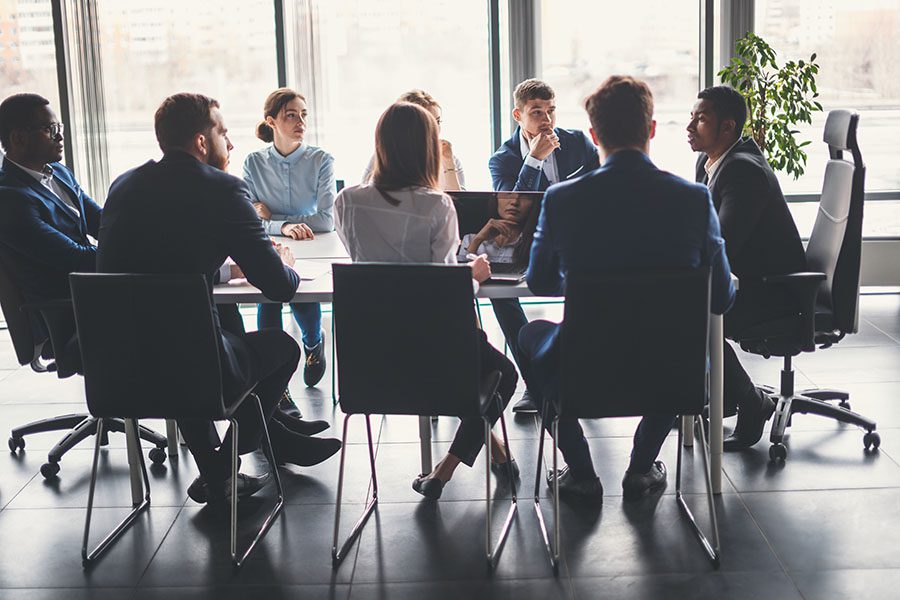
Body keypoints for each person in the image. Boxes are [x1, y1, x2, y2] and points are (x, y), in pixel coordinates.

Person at [98, 93, 341, 505]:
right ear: (199, 141)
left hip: (118, 364)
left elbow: (159, 262)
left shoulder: (124, 185)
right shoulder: (224, 190)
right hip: (194, 367)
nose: (230, 143)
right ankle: (229, 464)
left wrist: (227, 269)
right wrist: (283, 260)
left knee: (225, 326)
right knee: (280, 347)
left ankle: (245, 457)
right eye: (223, 132)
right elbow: (280, 288)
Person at [518, 76, 735, 505]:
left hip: (585, 369)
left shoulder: (562, 199)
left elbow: (540, 282)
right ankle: (640, 467)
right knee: (681, 349)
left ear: (594, 135)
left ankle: (580, 471)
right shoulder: (693, 200)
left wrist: (589, 282)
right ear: (651, 129)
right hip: (671, 372)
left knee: (528, 337)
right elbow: (723, 297)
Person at [334, 101, 519, 500]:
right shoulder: (437, 205)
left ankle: (473, 460)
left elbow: (365, 264)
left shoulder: (346, 201)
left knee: (470, 362)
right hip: (434, 350)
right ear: (428, 149)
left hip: (370, 358)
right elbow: (446, 294)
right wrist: (472, 273)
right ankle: (445, 470)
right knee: (501, 373)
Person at [687, 85, 807, 450]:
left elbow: (722, 241)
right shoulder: (710, 160)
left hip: (772, 291)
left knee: (690, 317)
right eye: (692, 116)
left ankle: (751, 402)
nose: (690, 125)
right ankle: (725, 396)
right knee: (684, 306)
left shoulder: (742, 169)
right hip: (746, 279)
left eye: (701, 118)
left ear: (727, 127)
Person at [488, 79, 601, 414]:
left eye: (551, 110)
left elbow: (598, 190)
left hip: (579, 242)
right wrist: (534, 161)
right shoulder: (503, 160)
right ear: (518, 115)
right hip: (526, 244)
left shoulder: (578, 143)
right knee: (498, 295)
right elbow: (513, 210)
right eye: (537, 112)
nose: (547, 119)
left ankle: (575, 374)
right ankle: (536, 382)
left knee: (593, 287)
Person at [243, 88, 333, 398]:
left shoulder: (321, 159)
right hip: (269, 243)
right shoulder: (253, 163)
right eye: (291, 115)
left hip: (313, 245)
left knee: (299, 289)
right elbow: (249, 218)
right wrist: (284, 225)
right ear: (271, 121)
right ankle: (271, 377)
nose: (300, 122)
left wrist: (273, 218)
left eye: (303, 115)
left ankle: (313, 344)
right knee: (268, 290)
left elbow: (326, 220)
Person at [0, 94, 101, 309]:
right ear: (18, 138)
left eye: (59, 127)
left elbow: (103, 222)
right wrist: (130, 253)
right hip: (64, 312)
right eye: (50, 129)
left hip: (92, 293)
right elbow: (74, 259)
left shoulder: (61, 173)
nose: (60, 137)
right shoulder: (8, 198)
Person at [362, 89, 464, 191]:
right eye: (427, 123)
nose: (436, 128)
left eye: (437, 121)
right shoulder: (383, 158)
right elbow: (367, 197)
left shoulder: (450, 159)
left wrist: (449, 164)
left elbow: (462, 204)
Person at [457, 191, 537, 268]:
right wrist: (477, 240)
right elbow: (463, 275)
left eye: (525, 195)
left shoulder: (537, 243)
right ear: (496, 197)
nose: (515, 202)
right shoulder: (470, 239)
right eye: (508, 193)